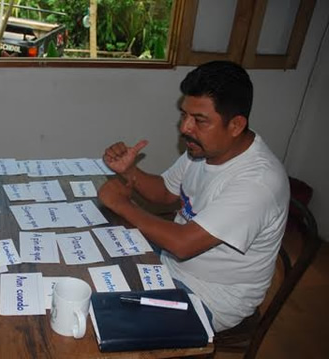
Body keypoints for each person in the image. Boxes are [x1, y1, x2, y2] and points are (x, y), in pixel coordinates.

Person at [99, 60, 290, 334]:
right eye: (184, 115)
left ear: (236, 125)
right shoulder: (203, 150)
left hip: (211, 296)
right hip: (171, 261)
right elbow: (165, 192)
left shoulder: (258, 183)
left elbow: (183, 244)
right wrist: (131, 171)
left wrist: (121, 204)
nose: (185, 127)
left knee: (114, 330)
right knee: (95, 259)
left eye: (199, 120)